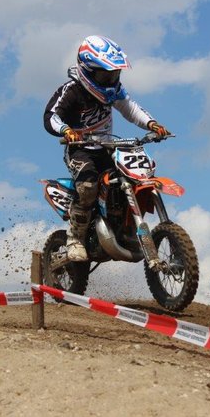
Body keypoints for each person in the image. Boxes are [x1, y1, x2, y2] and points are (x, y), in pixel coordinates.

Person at [43, 35, 170, 262]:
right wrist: (66, 130)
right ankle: (75, 238)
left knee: (137, 177)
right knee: (88, 187)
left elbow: (130, 108)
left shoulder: (114, 90)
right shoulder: (72, 90)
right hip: (80, 150)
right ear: (88, 71)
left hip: (109, 149)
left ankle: (126, 228)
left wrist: (152, 124)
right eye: (105, 75)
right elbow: (51, 116)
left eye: (114, 74)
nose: (111, 80)